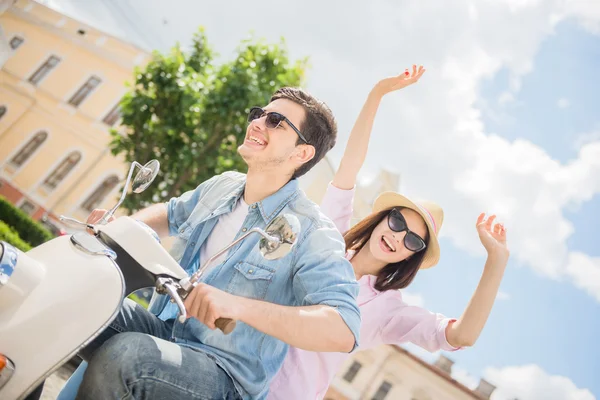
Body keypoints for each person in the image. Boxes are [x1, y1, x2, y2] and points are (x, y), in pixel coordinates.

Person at [58, 87, 361, 400]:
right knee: (78, 293)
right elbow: (171, 213)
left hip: (223, 376)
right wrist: (122, 227)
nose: (257, 122)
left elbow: (343, 329)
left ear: (302, 153)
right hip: (167, 330)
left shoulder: (312, 231)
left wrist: (239, 307)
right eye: (258, 114)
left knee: (128, 355)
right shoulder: (224, 185)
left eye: (275, 121)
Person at [266, 65, 511, 399]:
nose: (398, 236)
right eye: (397, 222)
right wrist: (377, 94)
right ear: (382, 218)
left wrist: (496, 261)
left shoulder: (389, 311)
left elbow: (461, 336)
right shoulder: (332, 236)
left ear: (413, 255)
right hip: (234, 364)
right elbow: (350, 165)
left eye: (412, 239)